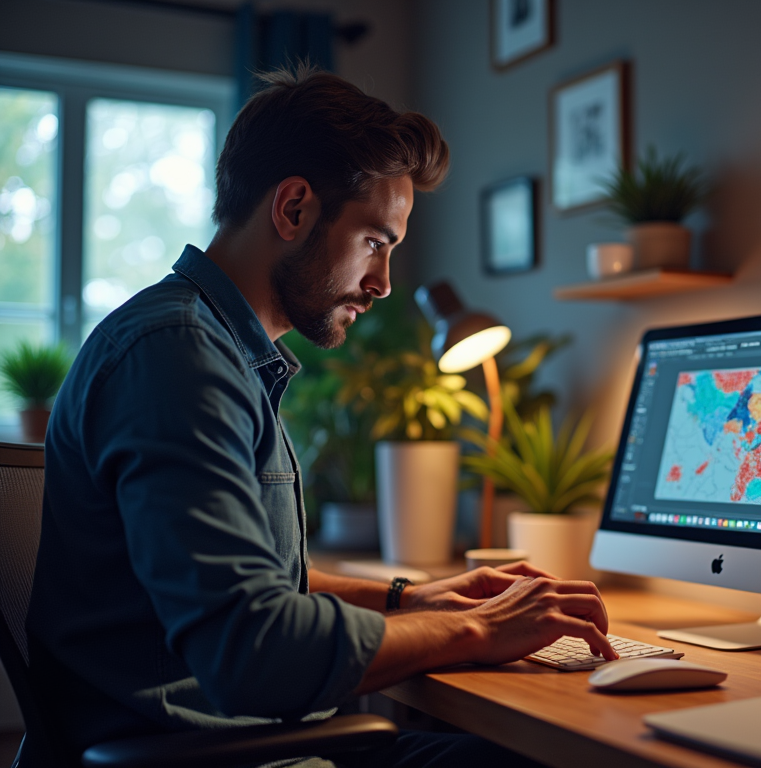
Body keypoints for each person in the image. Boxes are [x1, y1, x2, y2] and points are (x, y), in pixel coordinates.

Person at [25, 67, 616, 767]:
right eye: (376, 241)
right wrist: (480, 631)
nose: (383, 282)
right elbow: (253, 651)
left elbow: (259, 583)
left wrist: (413, 600)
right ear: (295, 208)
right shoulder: (178, 357)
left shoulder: (212, 349)